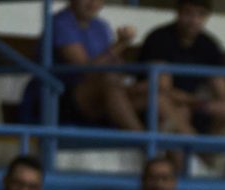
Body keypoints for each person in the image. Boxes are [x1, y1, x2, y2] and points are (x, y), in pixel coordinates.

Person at [52, 0, 193, 135]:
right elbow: (84, 72)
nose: (93, 2)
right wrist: (120, 44)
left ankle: (195, 148)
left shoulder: (100, 26)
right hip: (64, 99)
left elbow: (114, 63)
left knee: (161, 95)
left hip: (106, 95)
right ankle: (144, 140)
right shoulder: (62, 22)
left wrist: (140, 83)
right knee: (110, 79)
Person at [138, 0, 225, 137]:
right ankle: (195, 147)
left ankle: (207, 147)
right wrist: (200, 103)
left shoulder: (209, 44)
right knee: (179, 111)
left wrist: (219, 106)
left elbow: (224, 91)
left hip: (195, 105)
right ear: (178, 13)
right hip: (155, 105)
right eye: (188, 13)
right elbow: (162, 89)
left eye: (200, 14)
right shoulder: (159, 39)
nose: (194, 20)